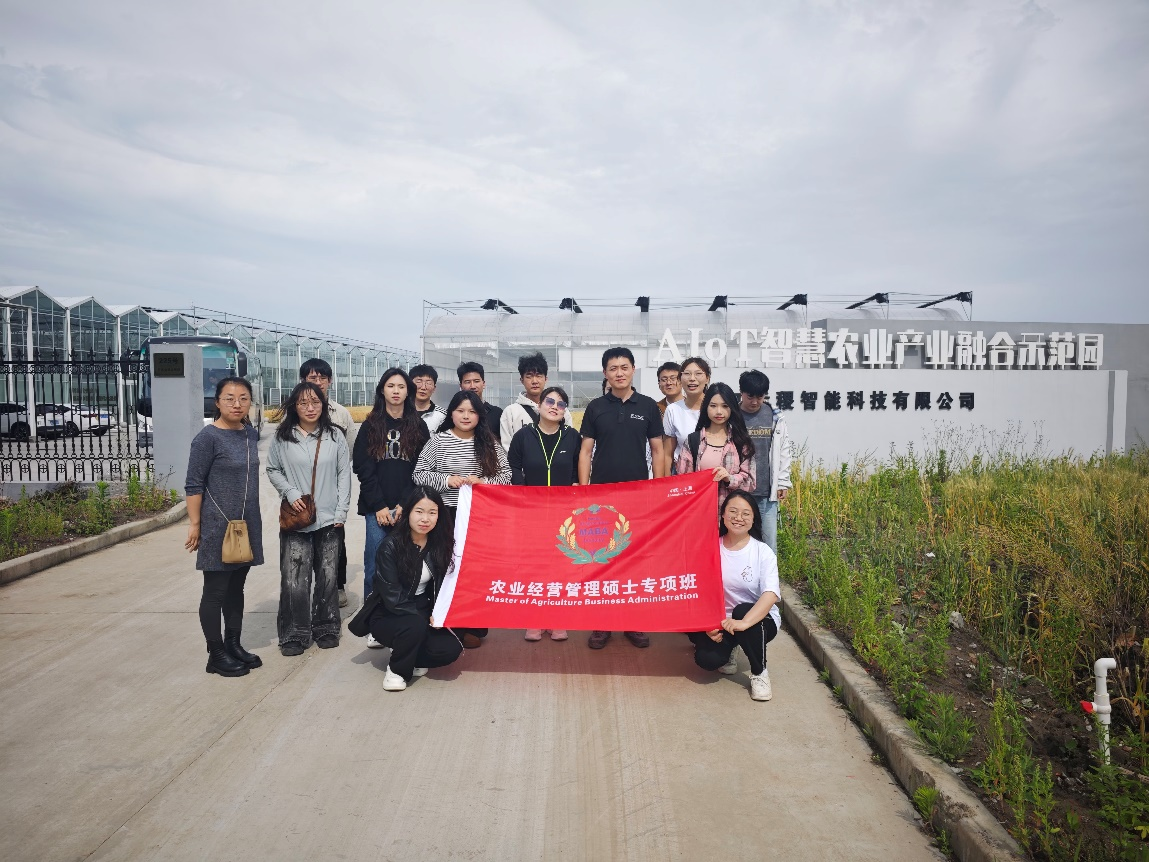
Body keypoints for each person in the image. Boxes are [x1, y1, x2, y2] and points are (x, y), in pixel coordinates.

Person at [578, 347, 666, 650]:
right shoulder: (596, 407)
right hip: (601, 497)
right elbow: (585, 451)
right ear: (605, 373)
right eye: (613, 368)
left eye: (624, 367)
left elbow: (658, 450)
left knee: (635, 560)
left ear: (633, 370)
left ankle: (633, 621)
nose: (619, 373)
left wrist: (659, 489)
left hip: (638, 496)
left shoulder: (648, 406)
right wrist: (585, 490)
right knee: (602, 559)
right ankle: (601, 623)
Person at [413, 389, 511, 648]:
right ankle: (446, 622)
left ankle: (473, 626)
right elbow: (419, 474)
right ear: (452, 413)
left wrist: (483, 482)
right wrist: (446, 480)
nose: (466, 416)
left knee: (475, 570)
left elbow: (506, 476)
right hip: (446, 515)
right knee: (445, 567)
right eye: (460, 411)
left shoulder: (488, 442)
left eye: (472, 411)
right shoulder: (438, 441)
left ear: (479, 415)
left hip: (478, 517)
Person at [185, 377, 265, 677]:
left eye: (243, 398)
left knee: (236, 589)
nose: (237, 404)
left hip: (246, 524)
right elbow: (194, 484)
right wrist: (195, 525)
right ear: (217, 402)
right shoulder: (207, 438)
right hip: (218, 526)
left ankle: (233, 644)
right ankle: (216, 654)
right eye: (229, 398)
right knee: (215, 591)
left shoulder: (250, 434)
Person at [267, 382, 352, 656]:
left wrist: (342, 510)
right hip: (297, 520)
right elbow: (272, 469)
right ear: (294, 406)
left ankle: (326, 627)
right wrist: (290, 492)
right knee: (294, 578)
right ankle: (294, 632)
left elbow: (344, 474)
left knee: (328, 576)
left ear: (323, 405)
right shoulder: (283, 437)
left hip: (329, 518)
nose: (310, 408)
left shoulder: (334, 436)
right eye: (303, 403)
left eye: (315, 402)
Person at [352, 369, 429, 649]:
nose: (396, 391)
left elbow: (421, 468)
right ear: (382, 390)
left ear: (408, 391)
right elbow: (363, 468)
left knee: (407, 567)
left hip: (409, 509)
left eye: (401, 386)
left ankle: (403, 620)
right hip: (377, 510)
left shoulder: (418, 426)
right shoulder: (370, 425)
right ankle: (375, 624)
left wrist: (404, 504)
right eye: (390, 386)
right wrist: (380, 506)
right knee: (375, 565)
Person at [368, 487, 465, 691]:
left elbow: (447, 585)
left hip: (422, 607)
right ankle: (397, 670)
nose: (425, 519)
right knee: (415, 625)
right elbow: (392, 598)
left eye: (432, 512)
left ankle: (411, 655)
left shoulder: (441, 545)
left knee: (450, 648)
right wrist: (423, 618)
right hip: (388, 613)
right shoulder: (390, 546)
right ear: (408, 512)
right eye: (419, 511)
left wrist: (439, 614)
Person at [687, 490, 780, 702]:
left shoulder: (763, 552)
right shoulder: (710, 548)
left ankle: (759, 673)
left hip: (758, 620)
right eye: (733, 511)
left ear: (754, 518)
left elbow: (770, 594)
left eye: (746, 514)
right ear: (723, 515)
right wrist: (707, 624)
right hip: (722, 621)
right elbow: (697, 591)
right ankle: (731, 648)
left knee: (742, 610)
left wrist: (744, 623)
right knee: (707, 660)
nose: (739, 518)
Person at [508, 385, 581, 643]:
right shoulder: (523, 436)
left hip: (564, 514)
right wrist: (523, 494)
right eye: (550, 401)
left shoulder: (572, 436)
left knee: (561, 566)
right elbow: (513, 467)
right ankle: (535, 618)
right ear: (539, 405)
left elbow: (578, 469)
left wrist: (575, 487)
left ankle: (557, 617)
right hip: (531, 513)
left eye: (561, 404)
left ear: (564, 411)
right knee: (534, 565)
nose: (554, 407)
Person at [300, 358, 355, 607]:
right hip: (301, 490)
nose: (318, 382)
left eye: (322, 378)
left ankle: (337, 586)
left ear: (330, 381)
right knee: (301, 541)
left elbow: (350, 450)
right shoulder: (294, 411)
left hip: (332, 489)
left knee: (335, 540)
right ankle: (305, 587)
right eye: (313, 377)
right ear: (304, 381)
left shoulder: (340, 414)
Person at [674, 382, 756, 509]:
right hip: (700, 510)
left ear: (732, 408)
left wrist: (729, 479)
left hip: (731, 514)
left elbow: (750, 483)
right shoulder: (693, 440)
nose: (719, 411)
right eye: (713, 406)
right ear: (706, 407)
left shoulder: (740, 441)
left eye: (725, 406)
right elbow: (682, 482)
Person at [738, 370, 793, 553]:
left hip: (766, 492)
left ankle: (768, 573)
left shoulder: (774, 416)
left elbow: (784, 450)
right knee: (738, 541)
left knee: (769, 545)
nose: (755, 401)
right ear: (741, 392)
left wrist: (782, 481)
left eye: (760, 397)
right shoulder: (732, 416)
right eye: (750, 396)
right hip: (738, 491)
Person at [662, 356, 710, 476]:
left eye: (698, 374)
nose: (692, 379)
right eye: (687, 374)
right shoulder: (673, 410)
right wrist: (667, 482)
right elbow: (668, 454)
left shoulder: (716, 408)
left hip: (712, 476)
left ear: (707, 379)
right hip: (682, 475)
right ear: (680, 379)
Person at [500, 352, 556, 449]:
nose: (534, 381)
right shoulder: (510, 412)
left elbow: (567, 441)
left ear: (546, 379)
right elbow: (507, 447)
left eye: (539, 376)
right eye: (529, 376)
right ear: (522, 380)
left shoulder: (558, 408)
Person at [458, 361, 504, 444]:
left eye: (476, 381)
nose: (472, 386)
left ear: (483, 384)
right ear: (461, 386)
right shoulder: (455, 415)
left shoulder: (497, 414)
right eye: (467, 382)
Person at [410, 364, 446, 432]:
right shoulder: (400, 412)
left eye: (428, 383)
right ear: (410, 385)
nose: (423, 387)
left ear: (434, 388)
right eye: (419, 382)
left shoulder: (442, 416)